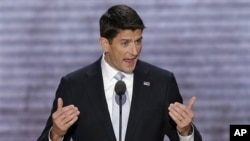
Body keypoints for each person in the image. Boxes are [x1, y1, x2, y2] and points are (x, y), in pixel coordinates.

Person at [38, 4, 202, 141]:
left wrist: (185, 132)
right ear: (105, 44)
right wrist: (56, 134)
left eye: (138, 41)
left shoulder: (162, 82)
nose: (134, 51)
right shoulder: (74, 85)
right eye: (125, 43)